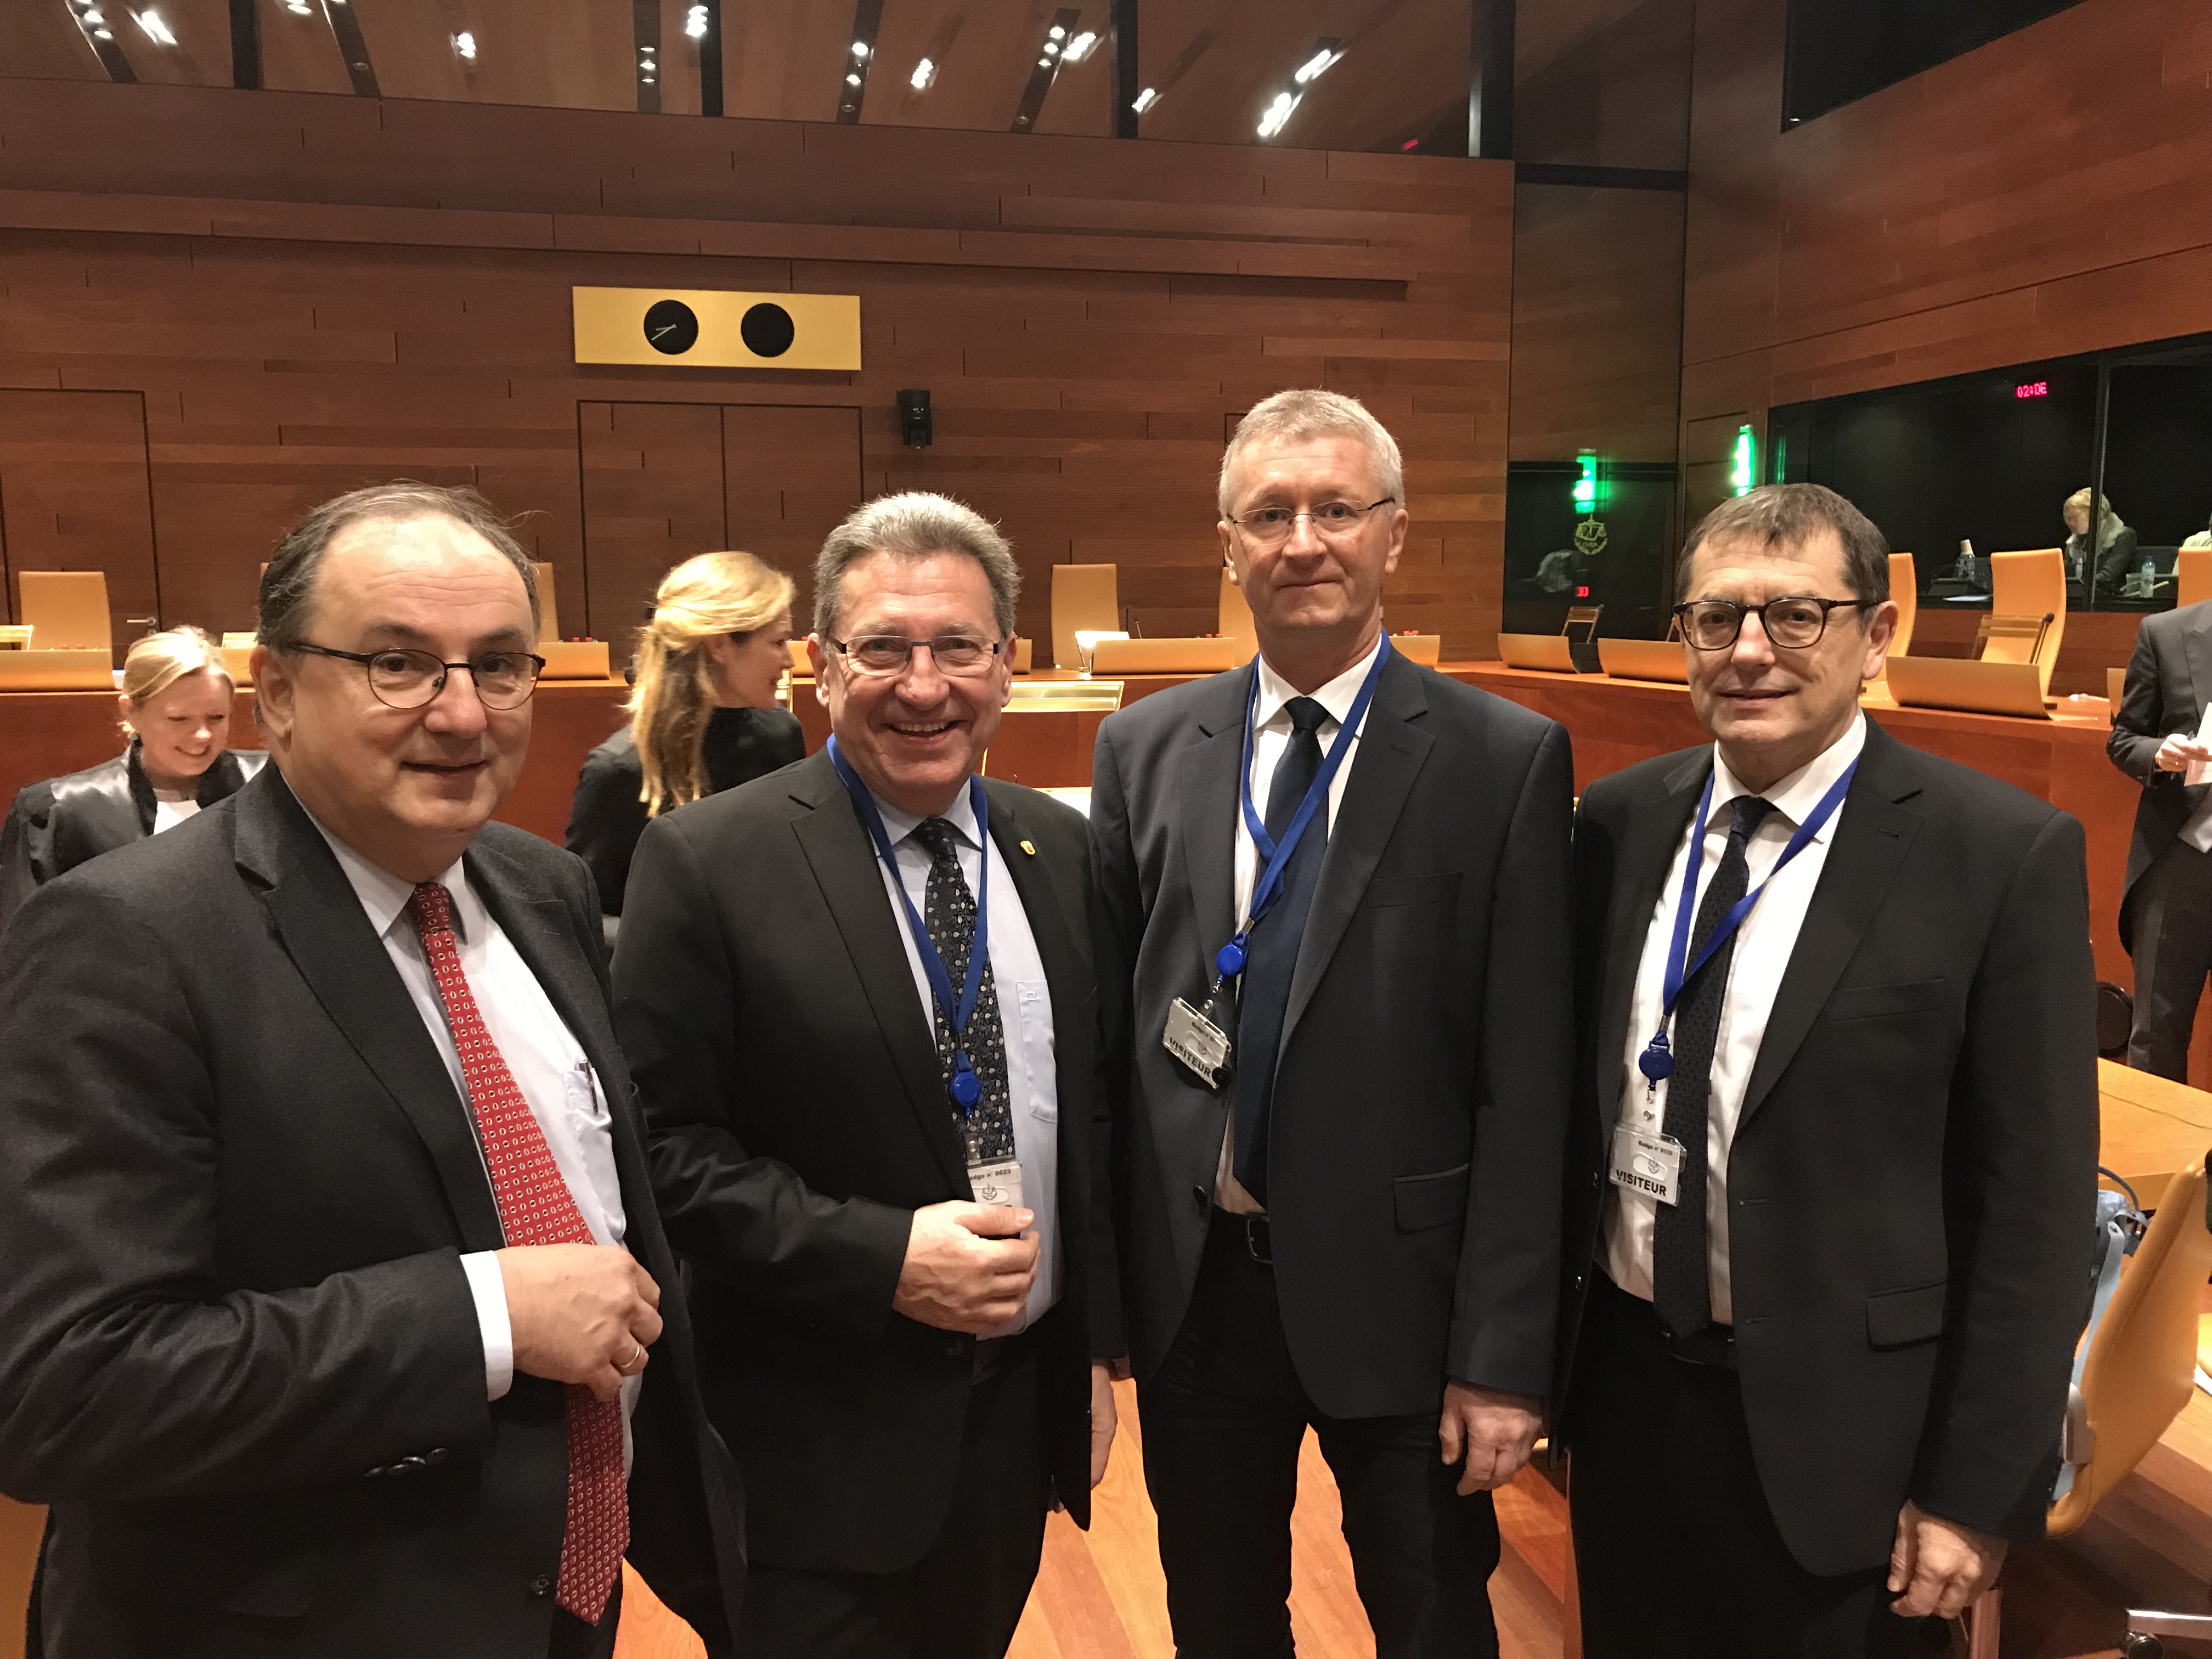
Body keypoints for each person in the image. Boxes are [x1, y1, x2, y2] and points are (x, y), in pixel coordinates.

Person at [0, 483, 742, 1659]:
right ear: (278, 691)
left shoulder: (539, 886)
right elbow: (69, 1386)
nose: (463, 712)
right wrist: (485, 1313)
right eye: (398, 664)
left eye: (498, 665)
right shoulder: (124, 937)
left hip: (558, 1596)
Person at [1556, 483, 2097, 1657]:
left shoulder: (1997, 854)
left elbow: (2035, 1211)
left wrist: (1973, 1489)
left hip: (1858, 1452)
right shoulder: (1616, 824)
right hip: (1629, 1406)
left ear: (1878, 633)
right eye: (1717, 617)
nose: (1750, 651)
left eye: (1796, 614)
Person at [1091, 388, 1574, 1658]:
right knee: (1219, 1623)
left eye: (1337, 511)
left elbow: (1527, 1083)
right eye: (1270, 515)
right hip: (1200, 1293)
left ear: (1394, 534)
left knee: (1433, 1626)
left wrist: (1504, 1352)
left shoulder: (1503, 758)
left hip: (1409, 1301)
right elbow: (1111, 1045)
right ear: (1228, 545)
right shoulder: (1144, 748)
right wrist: (1106, 1311)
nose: (1303, 541)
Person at [614, 492, 1120, 1659]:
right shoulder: (708, 862)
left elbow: (1088, 1117)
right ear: (820, 665)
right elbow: (660, 1153)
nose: (923, 686)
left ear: (1008, 663)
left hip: (1008, 1429)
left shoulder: (1059, 849)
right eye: (882, 647)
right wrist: (882, 1257)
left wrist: (1091, 1351)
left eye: (958, 647)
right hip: (814, 1448)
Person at [566, 551, 804, 936]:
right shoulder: (619, 769)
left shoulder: (781, 735)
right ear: (720, 646)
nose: (789, 661)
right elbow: (583, 917)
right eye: (778, 642)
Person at [1, 624, 265, 933]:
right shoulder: (60, 811)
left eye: (216, 717)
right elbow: (25, 939)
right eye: (179, 719)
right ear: (130, 712)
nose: (203, 735)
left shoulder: (268, 785)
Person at [2108, 595, 2212, 1076]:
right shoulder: (2166, 633)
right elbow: (2124, 738)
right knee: (2156, 1036)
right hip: (2181, 859)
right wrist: (2159, 752)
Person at [2062, 486, 2138, 599]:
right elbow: (2065, 576)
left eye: (2074, 517)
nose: (2071, 523)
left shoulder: (2124, 536)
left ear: (2095, 513)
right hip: (2076, 601)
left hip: (2109, 603)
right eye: (2068, 518)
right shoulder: (2073, 543)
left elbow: (2107, 577)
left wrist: (2077, 586)